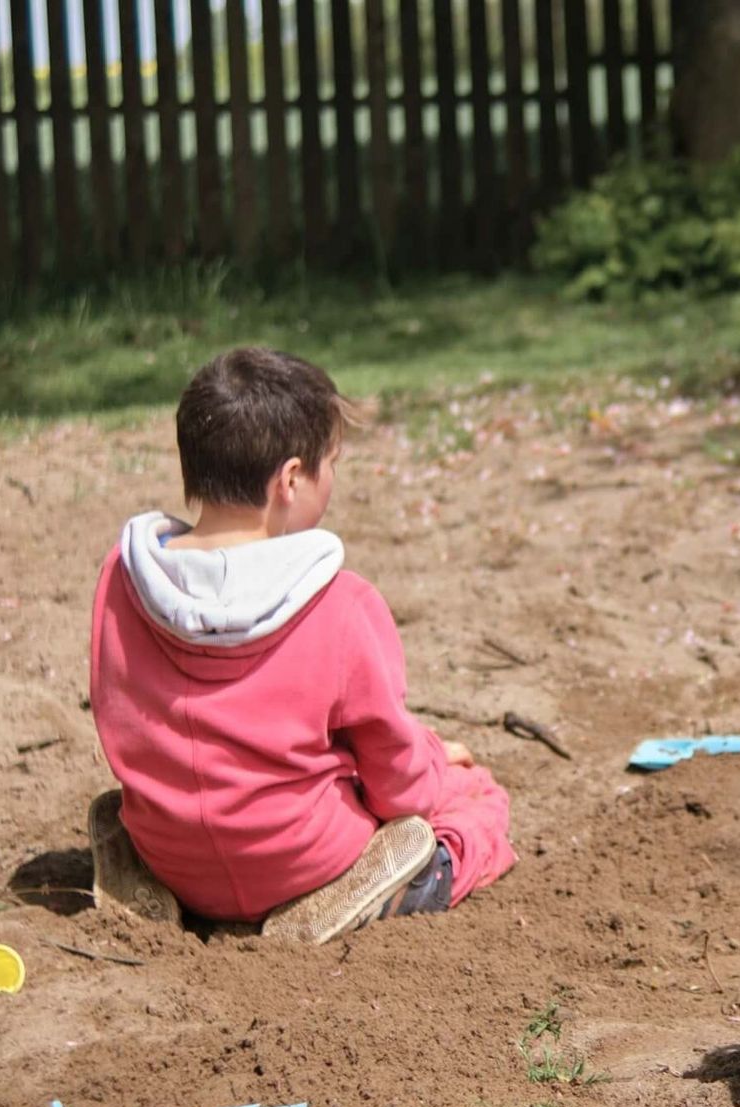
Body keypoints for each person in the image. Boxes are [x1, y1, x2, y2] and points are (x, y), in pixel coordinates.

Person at [86, 346, 515, 944]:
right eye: (331, 462)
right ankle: (351, 897)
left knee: (122, 805)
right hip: (306, 863)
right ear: (290, 479)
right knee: (473, 804)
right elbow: (399, 788)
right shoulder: (342, 604)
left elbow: (118, 717)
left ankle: (147, 874)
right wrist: (437, 764)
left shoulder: (121, 578)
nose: (333, 476)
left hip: (172, 857)